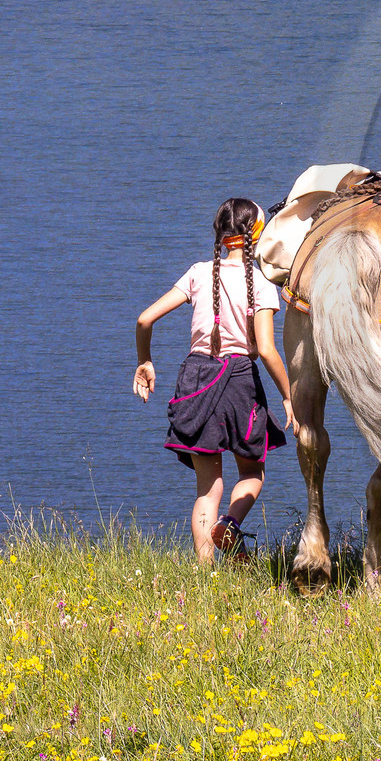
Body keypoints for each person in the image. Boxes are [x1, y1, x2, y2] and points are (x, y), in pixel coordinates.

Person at [134, 198, 296, 565]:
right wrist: (288, 397)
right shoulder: (263, 286)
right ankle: (231, 524)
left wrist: (145, 360)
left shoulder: (197, 272)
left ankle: (206, 576)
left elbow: (145, 320)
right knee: (252, 472)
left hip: (195, 378)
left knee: (208, 489)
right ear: (256, 234)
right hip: (239, 380)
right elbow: (267, 351)